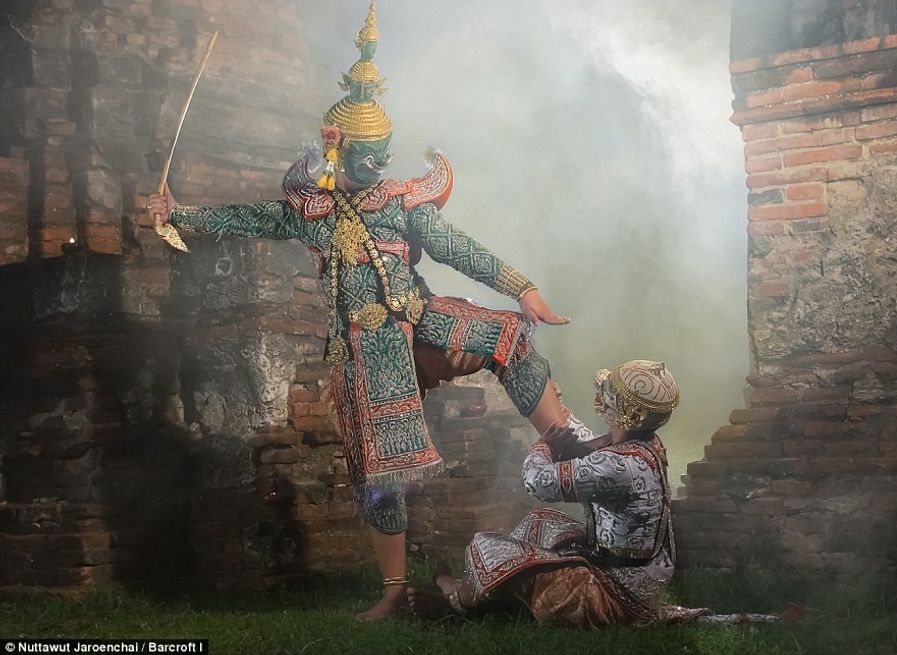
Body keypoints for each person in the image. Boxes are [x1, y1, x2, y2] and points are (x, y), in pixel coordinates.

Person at [146, 2, 575, 621]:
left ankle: (568, 448)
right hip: (361, 352)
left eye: (386, 153)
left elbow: (461, 250)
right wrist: (179, 214)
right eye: (369, 156)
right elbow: (245, 217)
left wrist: (522, 287)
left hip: (420, 319)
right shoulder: (307, 207)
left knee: (508, 334)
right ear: (335, 149)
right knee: (379, 472)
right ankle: (395, 591)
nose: (380, 166)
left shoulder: (403, 201)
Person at [408, 360, 783, 627]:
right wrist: (547, 396)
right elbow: (590, 444)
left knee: (485, 546)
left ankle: (456, 602)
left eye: (612, 395)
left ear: (626, 414)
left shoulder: (619, 465)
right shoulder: (644, 442)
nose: (603, 395)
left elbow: (537, 482)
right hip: (632, 578)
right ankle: (491, 592)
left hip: (614, 595)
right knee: (540, 525)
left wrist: (545, 444)